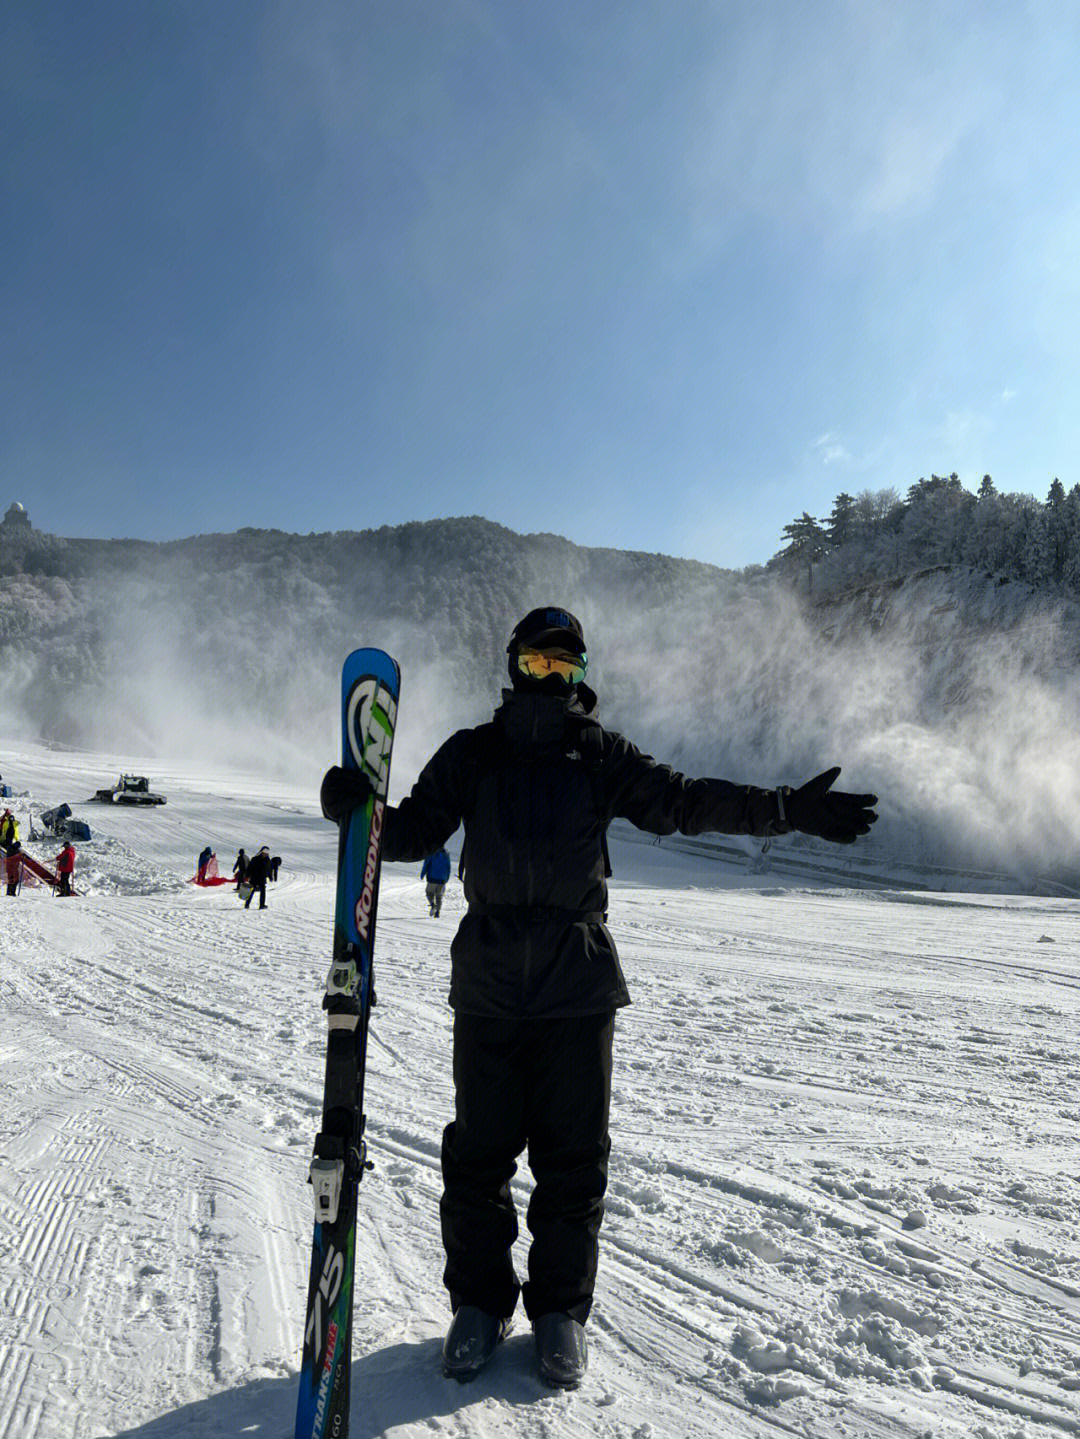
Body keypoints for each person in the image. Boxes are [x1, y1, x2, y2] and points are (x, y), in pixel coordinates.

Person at [320, 605, 878, 1388]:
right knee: (477, 1158)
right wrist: (358, 806)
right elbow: (410, 832)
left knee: (573, 1164)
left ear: (582, 678)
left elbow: (685, 801)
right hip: (487, 984)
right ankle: (480, 1305)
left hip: (577, 989)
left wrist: (785, 808)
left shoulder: (599, 756)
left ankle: (558, 1313)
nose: (551, 681)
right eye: (538, 665)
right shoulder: (474, 753)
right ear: (513, 666)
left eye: (566, 669)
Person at [420, 847, 451, 916]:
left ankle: (433, 905)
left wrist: (422, 874)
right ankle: (437, 912)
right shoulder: (446, 855)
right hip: (443, 879)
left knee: (429, 893)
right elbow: (448, 867)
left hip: (432, 877)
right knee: (439, 896)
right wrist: (447, 878)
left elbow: (426, 864)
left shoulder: (431, 852)